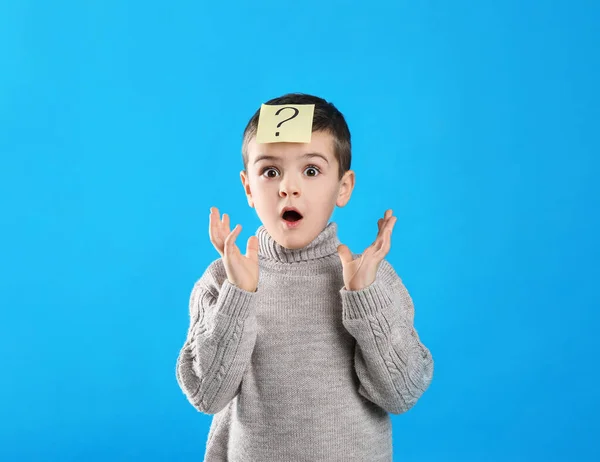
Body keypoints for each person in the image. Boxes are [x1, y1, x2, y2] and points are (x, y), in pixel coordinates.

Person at [175, 93, 434, 461]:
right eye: (270, 171)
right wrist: (238, 295)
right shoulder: (224, 278)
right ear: (248, 187)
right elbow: (206, 395)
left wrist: (366, 299)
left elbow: (402, 393)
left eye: (311, 171)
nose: (288, 187)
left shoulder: (370, 279)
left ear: (343, 187)